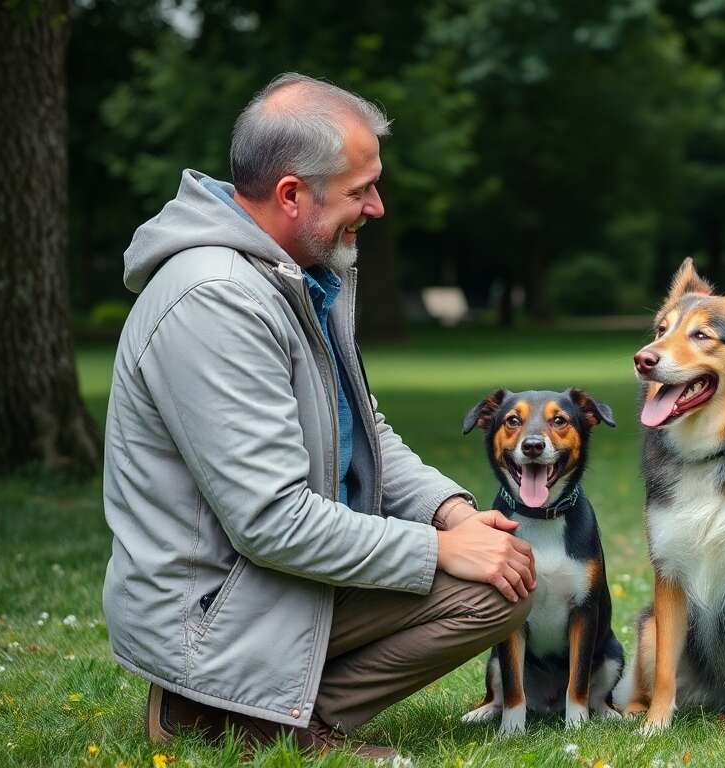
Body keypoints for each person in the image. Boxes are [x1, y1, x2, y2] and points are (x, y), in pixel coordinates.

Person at [101, 73, 535, 760]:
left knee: (501, 580)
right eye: (361, 189)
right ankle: (225, 712)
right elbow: (270, 522)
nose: (379, 206)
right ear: (293, 194)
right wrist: (436, 551)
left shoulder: (296, 274)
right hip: (216, 609)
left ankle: (259, 715)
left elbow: (365, 431)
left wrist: (450, 514)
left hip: (282, 581)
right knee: (473, 573)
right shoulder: (216, 298)